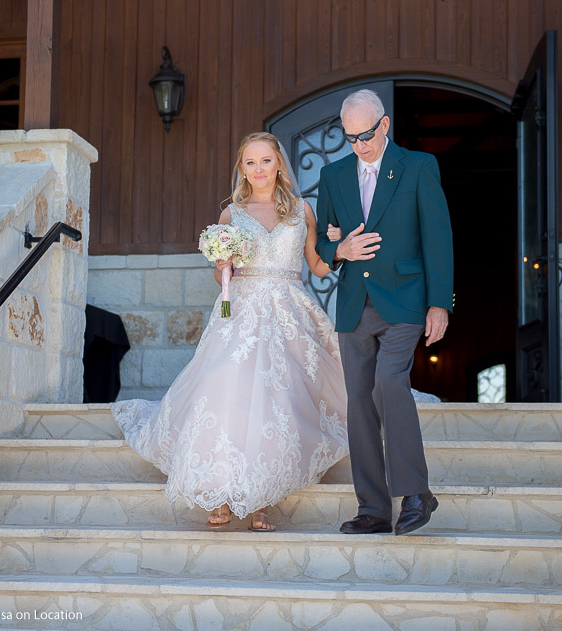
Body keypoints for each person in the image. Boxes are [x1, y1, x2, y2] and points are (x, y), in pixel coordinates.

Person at [112, 132, 348, 532]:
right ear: (242, 168)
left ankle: (262, 500)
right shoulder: (230, 215)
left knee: (279, 401)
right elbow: (221, 273)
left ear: (279, 165)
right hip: (240, 311)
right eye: (250, 163)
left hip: (289, 312)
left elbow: (317, 265)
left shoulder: (302, 211)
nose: (258, 169)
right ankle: (221, 494)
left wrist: (339, 249)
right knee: (227, 396)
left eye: (266, 161)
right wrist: (222, 263)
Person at [315, 89, 453, 536]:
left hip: (406, 301)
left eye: (367, 134)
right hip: (355, 304)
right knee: (357, 405)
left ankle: (417, 492)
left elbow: (438, 237)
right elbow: (320, 243)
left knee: (388, 382)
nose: (360, 144)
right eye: (351, 137)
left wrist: (439, 303)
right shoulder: (333, 175)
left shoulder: (418, 167)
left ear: (385, 124)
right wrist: (341, 249)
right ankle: (373, 510)